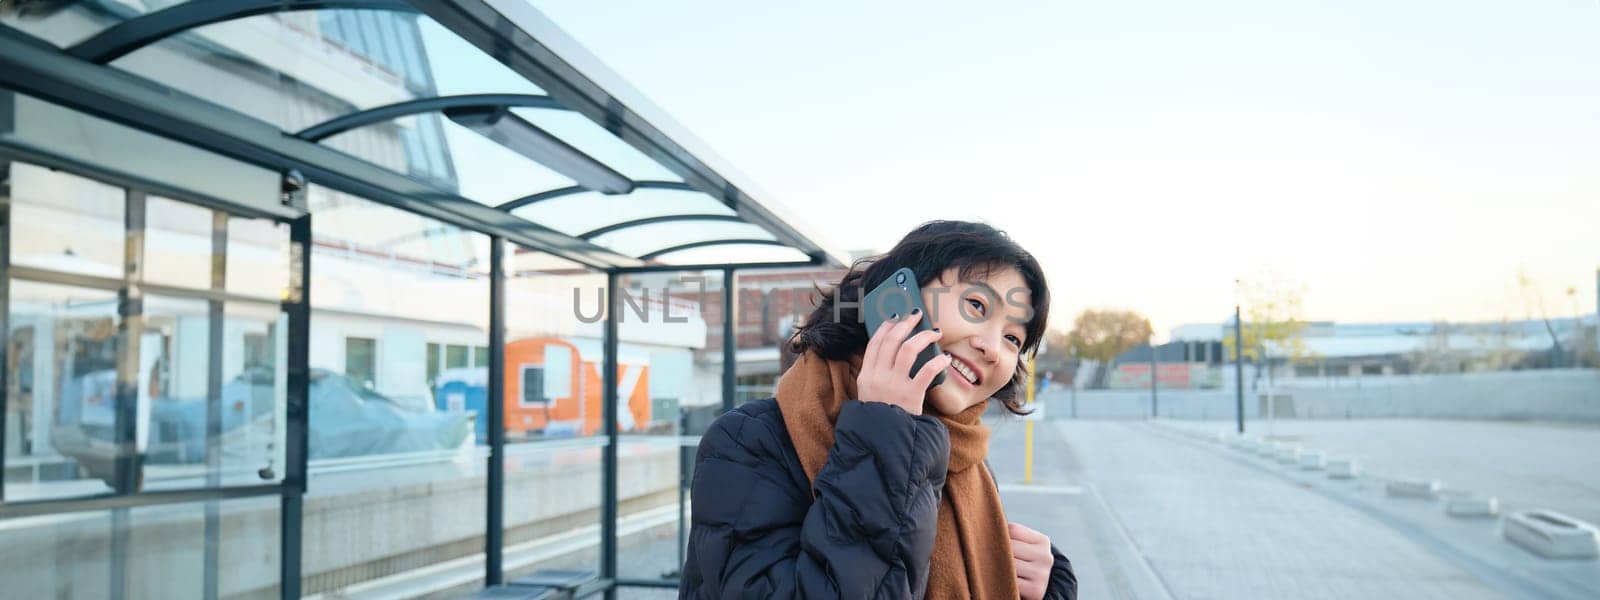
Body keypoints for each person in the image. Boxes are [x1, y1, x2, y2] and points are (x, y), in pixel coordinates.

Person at [680, 221, 1076, 599]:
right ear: (895, 299)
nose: (993, 347)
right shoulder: (749, 441)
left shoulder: (960, 457)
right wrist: (887, 434)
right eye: (976, 304)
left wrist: (1044, 585)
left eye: (1012, 338)